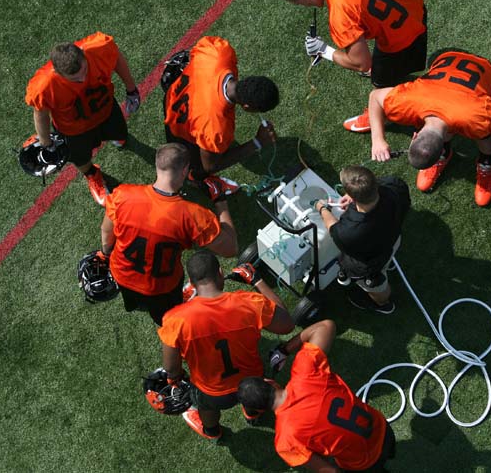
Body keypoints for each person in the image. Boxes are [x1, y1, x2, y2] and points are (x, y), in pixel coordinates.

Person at [363, 48, 491, 206]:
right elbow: (375, 97)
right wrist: (377, 139)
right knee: (476, 124)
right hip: (445, 61)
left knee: (483, 132)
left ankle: (487, 161)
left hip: (484, 72)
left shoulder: (474, 118)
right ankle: (474, 158)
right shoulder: (406, 102)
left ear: (415, 137)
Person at [279, 0, 427, 130]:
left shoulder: (339, 15)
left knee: (379, 82)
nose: (304, 6)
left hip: (404, 41)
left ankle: (382, 115)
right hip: (416, 7)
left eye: (300, 3)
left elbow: (361, 63)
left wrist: (324, 50)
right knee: (381, 64)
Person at [158, 250, 295, 442]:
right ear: (220, 273)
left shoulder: (175, 319)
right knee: (252, 394)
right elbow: (287, 324)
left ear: (192, 281)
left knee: (207, 407)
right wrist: (257, 280)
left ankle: (212, 431)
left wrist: (174, 378)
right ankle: (253, 413)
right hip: (251, 380)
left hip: (211, 389)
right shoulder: (248, 303)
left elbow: (171, 368)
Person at [100, 143, 238, 326]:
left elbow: (106, 230)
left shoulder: (123, 195)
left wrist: (107, 252)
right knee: (169, 321)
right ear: (184, 171)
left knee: (136, 301)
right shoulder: (192, 214)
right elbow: (231, 248)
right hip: (161, 288)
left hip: (122, 274)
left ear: (158, 166)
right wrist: (220, 200)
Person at [237, 319, 396, 472]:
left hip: (364, 462)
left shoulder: (285, 441)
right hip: (381, 427)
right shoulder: (305, 371)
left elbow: (330, 471)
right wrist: (284, 349)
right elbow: (326, 326)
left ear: (260, 410)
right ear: (271, 382)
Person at [25, 32, 141, 206]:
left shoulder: (98, 49)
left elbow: (116, 58)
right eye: (75, 79)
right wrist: (46, 143)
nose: (83, 78)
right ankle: (92, 175)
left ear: (83, 54)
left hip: (105, 109)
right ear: (57, 72)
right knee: (80, 158)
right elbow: (40, 112)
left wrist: (131, 89)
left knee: (120, 133)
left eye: (84, 71)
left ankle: (116, 137)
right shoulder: (44, 85)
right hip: (73, 129)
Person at [163, 36, 279, 196]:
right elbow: (210, 165)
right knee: (195, 164)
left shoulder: (219, 52)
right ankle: (193, 178)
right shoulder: (216, 126)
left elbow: (198, 49)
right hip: (180, 126)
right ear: (246, 107)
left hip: (172, 96)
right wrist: (257, 143)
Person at [314, 166, 409, 314]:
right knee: (388, 257)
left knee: (378, 286)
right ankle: (389, 264)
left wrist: (321, 208)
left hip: (372, 263)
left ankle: (383, 304)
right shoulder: (394, 185)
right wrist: (354, 197)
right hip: (393, 240)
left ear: (354, 197)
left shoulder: (349, 233)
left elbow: (333, 228)